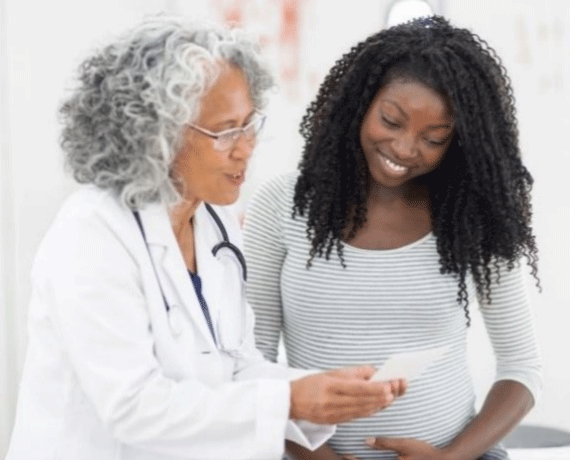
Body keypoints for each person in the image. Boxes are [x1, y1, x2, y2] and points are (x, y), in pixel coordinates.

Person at [5, 17, 407, 460]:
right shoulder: (91, 234)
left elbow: (233, 365)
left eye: (249, 124)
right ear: (155, 136)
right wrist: (289, 401)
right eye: (224, 131)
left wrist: (321, 391)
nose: (245, 148)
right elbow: (133, 408)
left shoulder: (215, 222)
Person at [243, 16, 542, 460]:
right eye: (391, 121)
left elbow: (521, 369)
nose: (404, 149)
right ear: (358, 106)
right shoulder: (282, 206)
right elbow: (252, 364)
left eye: (434, 138)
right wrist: (314, 456)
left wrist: (450, 458)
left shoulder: (470, 218)